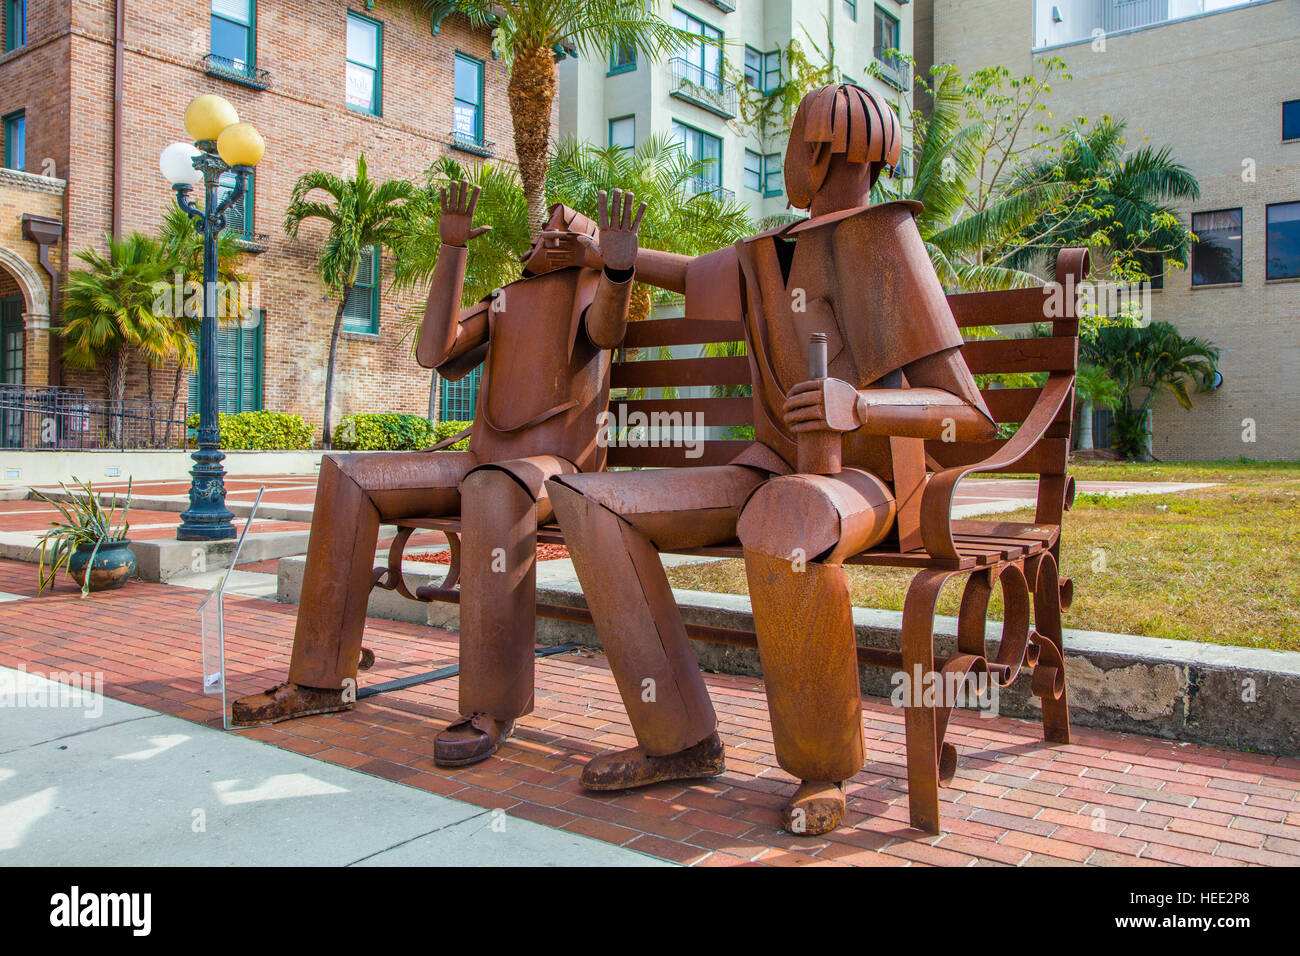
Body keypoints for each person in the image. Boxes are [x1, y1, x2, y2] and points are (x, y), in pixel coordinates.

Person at [545, 84, 997, 835]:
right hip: (770, 466)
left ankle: (823, 768)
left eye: (790, 141)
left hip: (869, 482)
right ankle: (678, 739)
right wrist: (614, 259)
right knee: (590, 499)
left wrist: (865, 405)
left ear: (817, 154)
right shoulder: (771, 250)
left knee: (788, 515)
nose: (784, 157)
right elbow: (695, 277)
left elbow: (971, 416)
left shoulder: (885, 241)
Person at [233, 183, 646, 770]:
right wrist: (451, 252)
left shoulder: (590, 290)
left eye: (565, 228)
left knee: (496, 489)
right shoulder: (507, 297)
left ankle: (489, 706)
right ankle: (320, 678)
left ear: (587, 242)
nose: (548, 235)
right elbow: (436, 352)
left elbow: (606, 331)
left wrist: (619, 270)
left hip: (556, 467)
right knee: (346, 473)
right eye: (542, 231)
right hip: (486, 460)